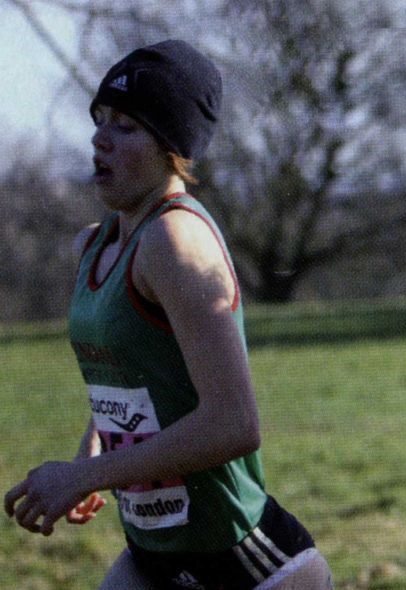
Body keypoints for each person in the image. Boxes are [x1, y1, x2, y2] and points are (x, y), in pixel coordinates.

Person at [3, 40, 334, 590]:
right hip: (153, 555)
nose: (99, 138)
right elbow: (131, 376)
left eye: (127, 126)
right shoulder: (98, 243)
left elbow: (235, 424)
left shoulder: (175, 243)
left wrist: (84, 475)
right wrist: (91, 452)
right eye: (100, 118)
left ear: (171, 148)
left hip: (247, 565)